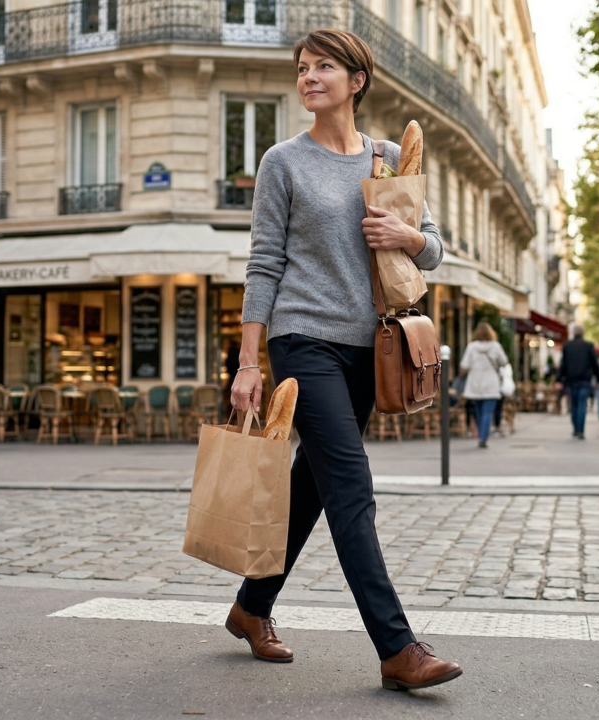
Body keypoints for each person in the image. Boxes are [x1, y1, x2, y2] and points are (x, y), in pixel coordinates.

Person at [228, 29, 461, 691]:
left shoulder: (386, 159)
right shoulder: (283, 162)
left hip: (371, 346)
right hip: (302, 340)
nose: (309, 76)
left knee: (313, 486)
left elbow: (434, 249)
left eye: (323, 66)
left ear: (356, 80)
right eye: (303, 67)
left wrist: (405, 233)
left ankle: (251, 607)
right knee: (351, 488)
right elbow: (264, 264)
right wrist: (250, 362)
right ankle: (398, 649)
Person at [459, 323, 509, 448]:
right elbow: (504, 361)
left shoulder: (471, 347)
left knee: (478, 412)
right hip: (491, 383)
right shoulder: (496, 346)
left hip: (475, 383)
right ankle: (483, 438)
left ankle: (481, 434)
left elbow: (465, 365)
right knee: (487, 412)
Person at [556, 324, 599, 439]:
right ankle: (580, 430)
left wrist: (558, 379)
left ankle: (576, 429)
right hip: (584, 379)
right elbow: (594, 364)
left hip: (571, 380)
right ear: (583, 333)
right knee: (582, 404)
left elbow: (563, 364)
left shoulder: (567, 345)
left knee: (574, 404)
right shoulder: (588, 345)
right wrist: (598, 378)